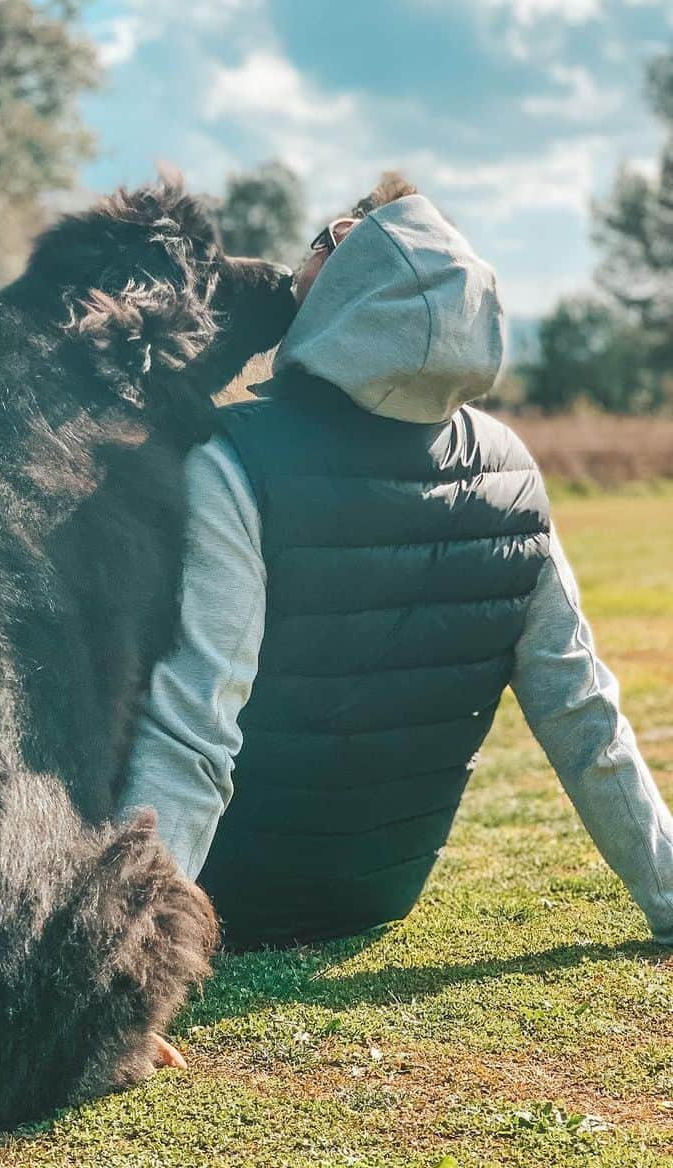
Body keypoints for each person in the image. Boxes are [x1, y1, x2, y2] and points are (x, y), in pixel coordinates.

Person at [119, 175, 673, 951]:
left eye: (317, 244)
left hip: (223, 896)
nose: (292, 273)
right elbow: (581, 711)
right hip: (381, 888)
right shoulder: (510, 465)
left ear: (349, 250)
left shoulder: (230, 457)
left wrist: (116, 967)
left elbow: (190, 735)